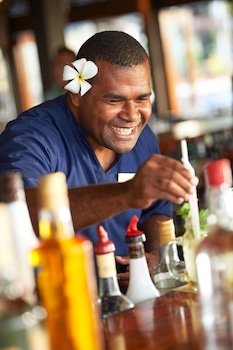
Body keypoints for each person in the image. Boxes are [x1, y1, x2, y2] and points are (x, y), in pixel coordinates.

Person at [0, 31, 198, 288]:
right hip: (55, 305)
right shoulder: (31, 137)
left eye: (142, 98)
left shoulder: (144, 139)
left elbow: (155, 212)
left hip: (127, 301)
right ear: (76, 95)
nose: (132, 115)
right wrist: (126, 193)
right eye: (115, 99)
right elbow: (17, 217)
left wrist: (157, 256)